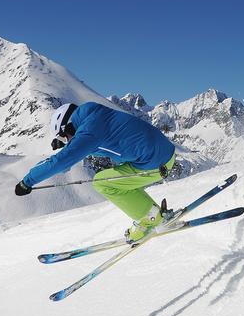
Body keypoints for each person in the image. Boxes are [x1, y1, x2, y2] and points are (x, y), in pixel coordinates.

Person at [15, 102, 176, 243]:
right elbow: (91, 137)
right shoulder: (94, 113)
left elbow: (60, 163)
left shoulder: (88, 134)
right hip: (164, 153)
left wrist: (27, 181)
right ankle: (153, 214)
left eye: (65, 137)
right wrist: (66, 142)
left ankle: (150, 219)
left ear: (68, 127)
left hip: (155, 164)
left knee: (102, 183)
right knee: (119, 181)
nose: (67, 140)